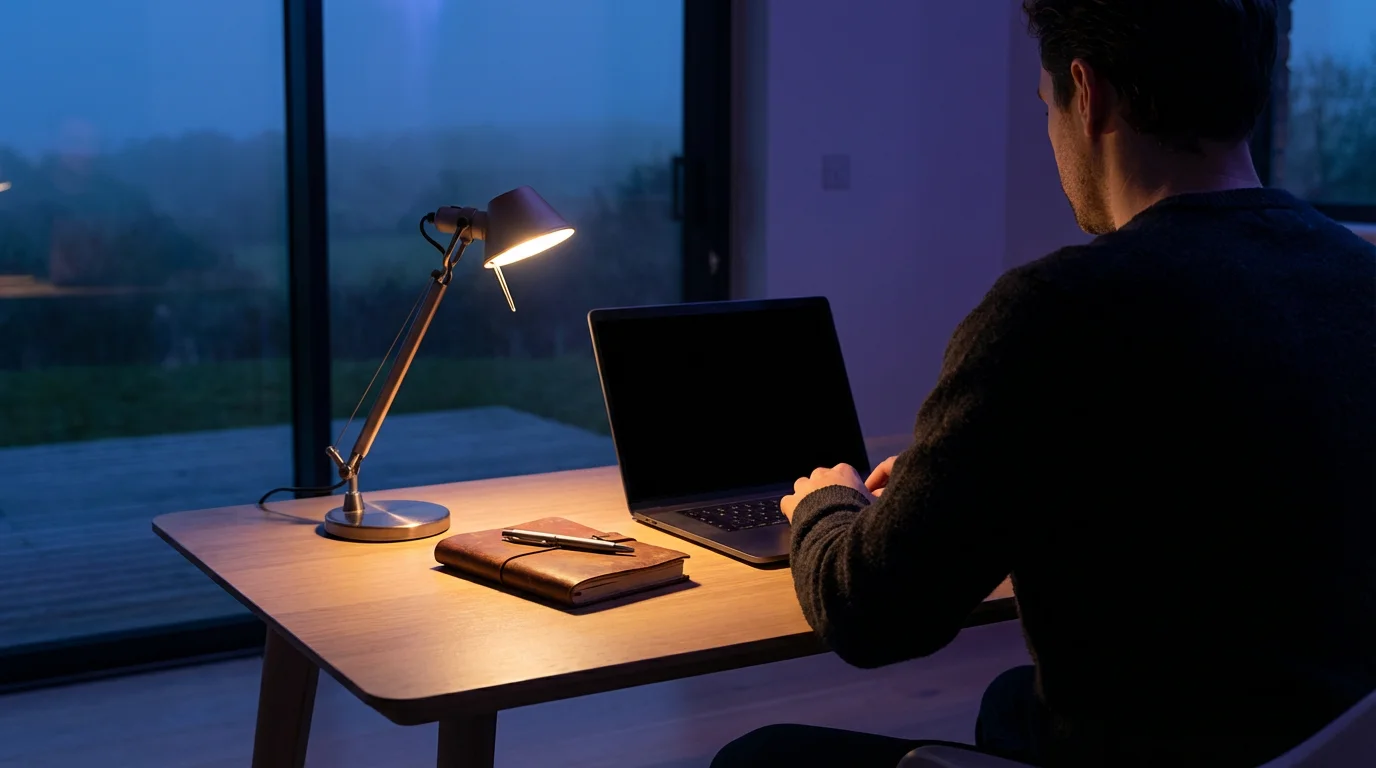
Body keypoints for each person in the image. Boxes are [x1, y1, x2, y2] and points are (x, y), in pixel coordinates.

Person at [714, 1, 1376, 766]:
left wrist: (828, 505)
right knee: (1008, 700)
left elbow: (873, 615)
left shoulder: (1056, 314)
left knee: (760, 757)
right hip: (1321, 742)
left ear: (1087, 95)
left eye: (1045, 105)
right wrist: (955, 479)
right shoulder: (1360, 280)